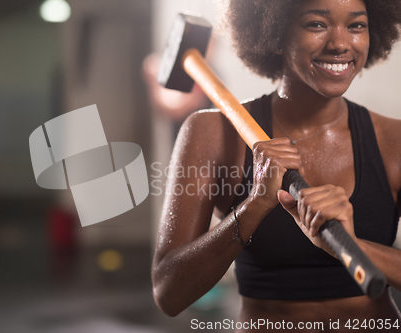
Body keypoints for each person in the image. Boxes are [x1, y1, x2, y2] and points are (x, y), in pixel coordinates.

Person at [151, 0, 401, 331]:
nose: (341, 43)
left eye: (356, 26)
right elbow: (169, 293)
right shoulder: (211, 134)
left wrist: (353, 246)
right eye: (316, 24)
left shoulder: (394, 141)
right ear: (276, 32)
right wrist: (255, 205)